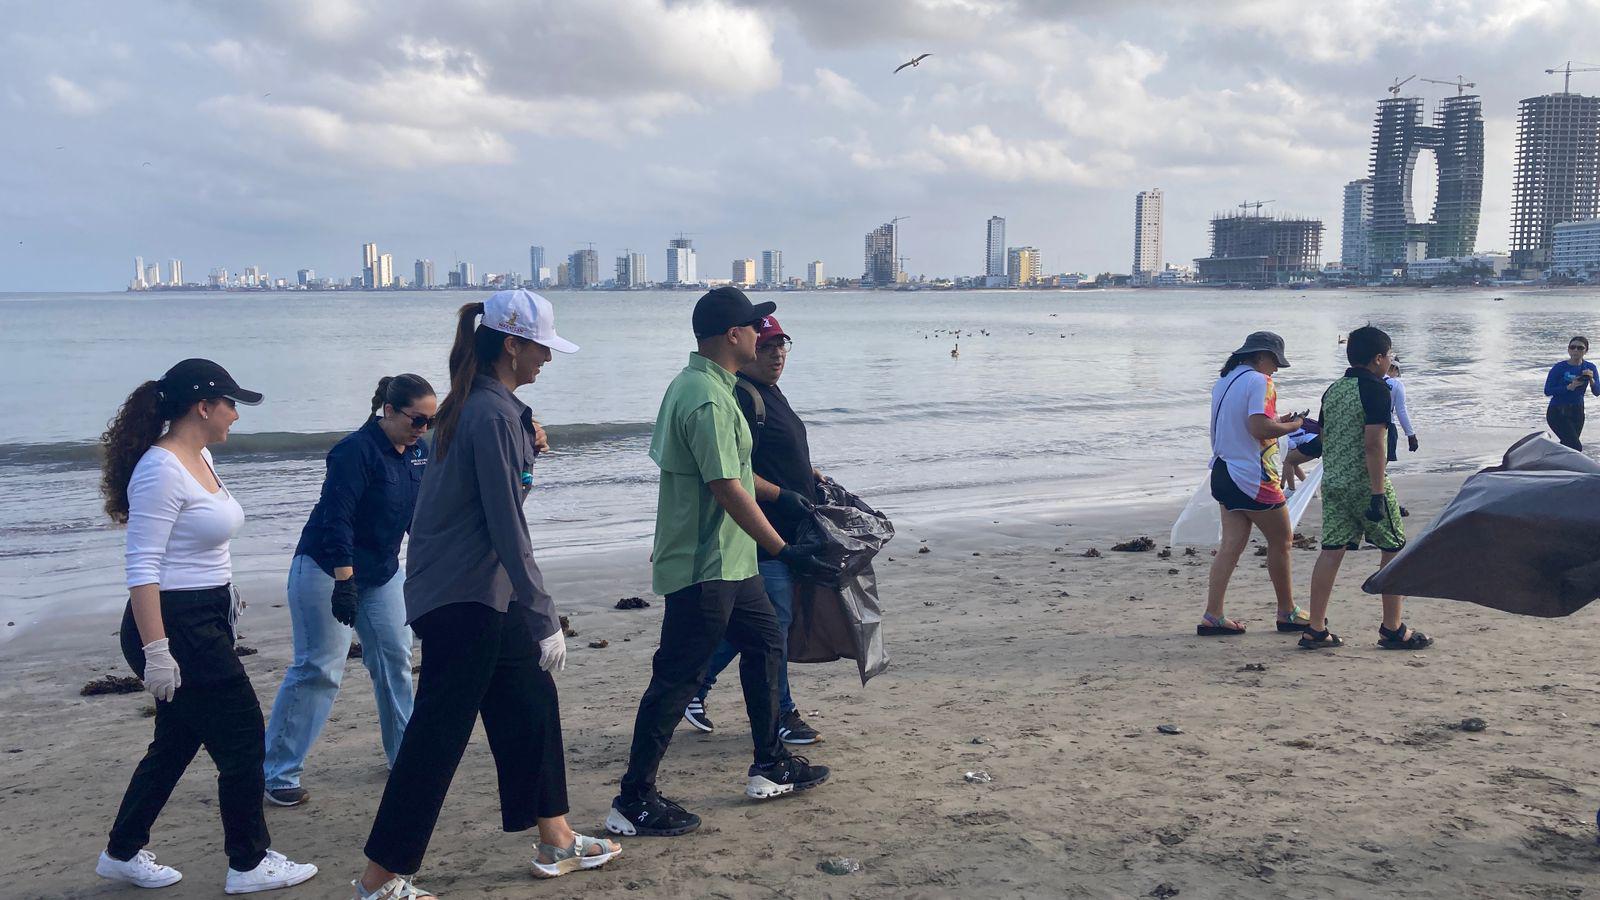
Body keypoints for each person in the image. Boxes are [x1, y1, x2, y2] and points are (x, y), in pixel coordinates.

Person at [354, 291, 620, 900]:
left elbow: (487, 494)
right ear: (511, 345)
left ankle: (556, 838)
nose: (547, 360)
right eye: (541, 348)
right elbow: (505, 523)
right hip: (464, 597)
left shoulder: (482, 406)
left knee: (531, 702)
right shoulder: (489, 413)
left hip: (472, 592)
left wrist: (526, 441)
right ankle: (380, 878)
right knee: (436, 737)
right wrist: (544, 612)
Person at [607, 287, 839, 839]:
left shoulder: (715, 387)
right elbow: (725, 488)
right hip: (704, 563)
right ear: (732, 335)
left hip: (734, 562)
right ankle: (632, 800)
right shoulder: (705, 398)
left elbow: (737, 470)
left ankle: (770, 763)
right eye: (755, 327)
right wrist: (782, 549)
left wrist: (785, 496)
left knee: (764, 643)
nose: (763, 336)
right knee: (676, 678)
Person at [96, 359, 319, 893]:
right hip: (175, 624)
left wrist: (225, 594)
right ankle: (248, 863)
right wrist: (156, 650)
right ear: (204, 406)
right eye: (231, 404)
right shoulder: (160, 468)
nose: (236, 416)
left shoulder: (199, 456)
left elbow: (197, 544)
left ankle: (122, 851)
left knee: (175, 742)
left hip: (206, 615)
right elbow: (143, 568)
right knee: (244, 737)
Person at [262, 374, 437, 807]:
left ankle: (407, 758)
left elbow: (416, 517)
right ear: (390, 411)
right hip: (325, 568)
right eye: (417, 419)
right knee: (320, 668)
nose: (423, 429)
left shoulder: (418, 452)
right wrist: (344, 582)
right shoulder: (352, 452)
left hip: (382, 572)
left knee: (396, 659)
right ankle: (278, 773)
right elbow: (337, 518)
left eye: (430, 422)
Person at [683, 315, 823, 745]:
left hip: (786, 530)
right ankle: (782, 714)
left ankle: (693, 688)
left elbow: (771, 456)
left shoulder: (768, 393)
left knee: (759, 626)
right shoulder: (740, 398)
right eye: (766, 345)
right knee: (772, 627)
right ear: (743, 348)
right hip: (762, 535)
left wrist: (810, 476)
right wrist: (782, 495)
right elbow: (732, 476)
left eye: (782, 344)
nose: (776, 353)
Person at [1297, 326, 1433, 651]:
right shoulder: (1377, 389)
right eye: (1389, 356)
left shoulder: (1333, 390)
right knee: (1394, 549)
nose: (1390, 361)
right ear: (1377, 359)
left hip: (1334, 482)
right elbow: (1374, 444)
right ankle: (1393, 627)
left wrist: (1295, 459)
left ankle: (1315, 628)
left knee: (1331, 550)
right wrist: (1376, 493)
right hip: (1366, 483)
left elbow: (1326, 438)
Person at [1198, 332, 1310, 637]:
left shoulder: (1224, 381)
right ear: (1261, 356)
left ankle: (1213, 614)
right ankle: (1287, 611)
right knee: (1282, 540)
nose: (1275, 369)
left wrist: (1278, 421)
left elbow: (1246, 424)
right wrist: (1294, 425)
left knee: (1230, 547)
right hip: (1252, 477)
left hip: (1222, 470)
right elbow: (1258, 427)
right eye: (1274, 362)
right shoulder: (1261, 382)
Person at [1544, 336, 1599, 451]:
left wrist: (1591, 380)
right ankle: (1546, 453)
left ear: (1586, 351)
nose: (1576, 350)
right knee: (1575, 446)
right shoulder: (1559, 367)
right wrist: (1569, 387)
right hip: (1557, 412)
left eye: (1580, 348)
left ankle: (1554, 463)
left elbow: (1597, 392)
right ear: (1568, 350)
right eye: (1572, 347)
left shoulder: (1590, 367)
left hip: (1577, 412)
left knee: (1569, 446)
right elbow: (1548, 390)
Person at [1384, 362, 1418, 463]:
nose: (1396, 376)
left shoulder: (1368, 381)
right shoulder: (1396, 385)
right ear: (1394, 369)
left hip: (1365, 425)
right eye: (1397, 373)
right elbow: (1401, 411)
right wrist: (1410, 434)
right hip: (1388, 426)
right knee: (1382, 465)